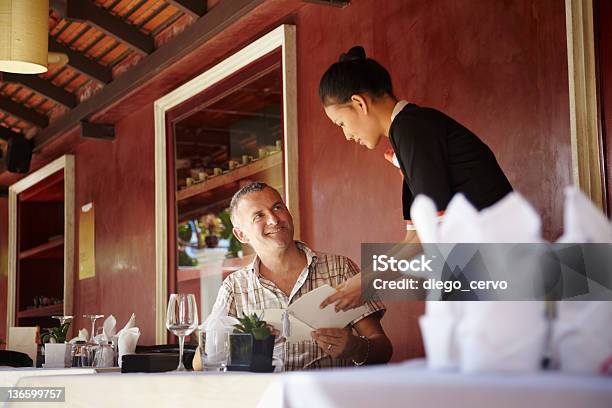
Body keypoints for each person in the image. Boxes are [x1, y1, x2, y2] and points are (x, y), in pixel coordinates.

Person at [318, 46, 513, 311]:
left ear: (359, 103)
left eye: (341, 123)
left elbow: (429, 236)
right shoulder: (407, 133)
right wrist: (363, 280)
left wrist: (367, 282)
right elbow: (415, 238)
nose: (347, 135)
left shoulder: (412, 130)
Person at [211, 182, 392, 371]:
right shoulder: (234, 287)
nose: (274, 219)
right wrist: (244, 347)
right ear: (241, 235)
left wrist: (356, 348)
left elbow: (384, 349)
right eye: (259, 216)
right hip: (268, 398)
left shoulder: (339, 268)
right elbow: (203, 360)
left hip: (331, 396)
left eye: (277, 207)